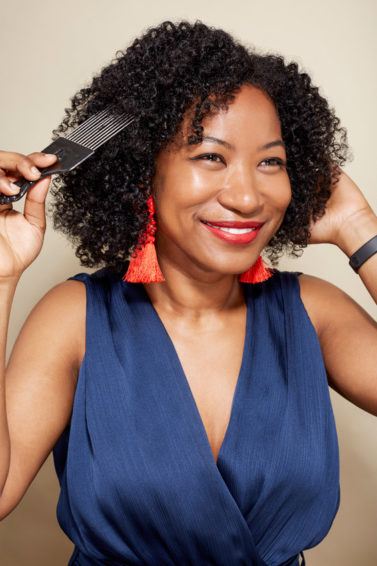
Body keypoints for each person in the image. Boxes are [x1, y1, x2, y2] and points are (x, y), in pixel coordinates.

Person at [0, 19, 376, 566]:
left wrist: (360, 229)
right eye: (210, 157)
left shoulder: (310, 312)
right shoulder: (75, 318)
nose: (248, 196)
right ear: (142, 172)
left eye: (271, 161)